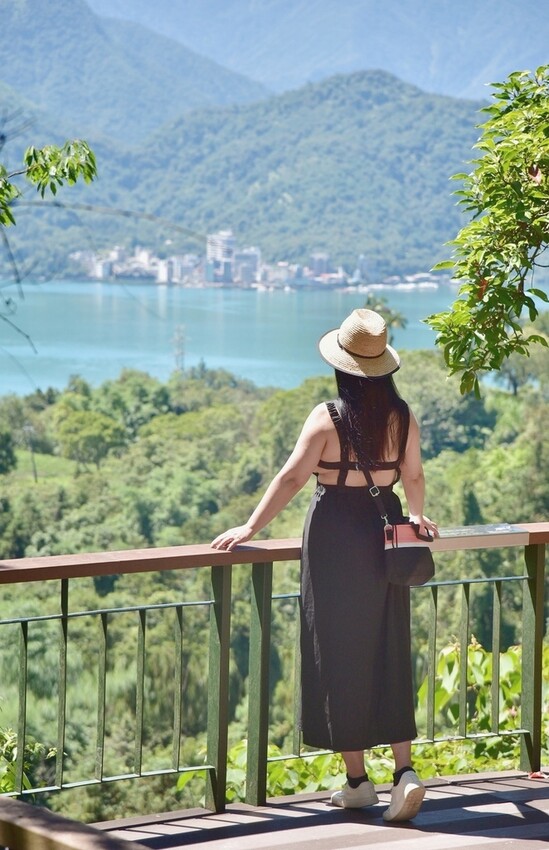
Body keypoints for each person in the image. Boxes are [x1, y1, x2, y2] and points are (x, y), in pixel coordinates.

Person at [211, 308, 438, 822]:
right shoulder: (402, 417)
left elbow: (292, 479)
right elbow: (415, 475)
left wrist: (249, 528)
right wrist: (419, 516)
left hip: (335, 535)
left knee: (335, 652)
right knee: (388, 648)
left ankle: (358, 781)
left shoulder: (327, 417)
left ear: (341, 367)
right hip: (386, 537)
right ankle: (405, 773)